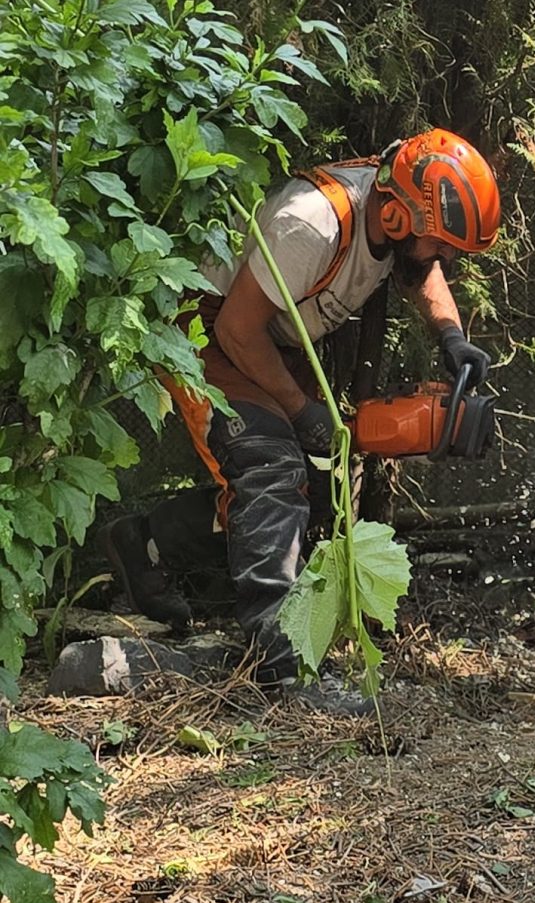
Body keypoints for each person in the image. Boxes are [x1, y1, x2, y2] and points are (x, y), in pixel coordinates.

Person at [103, 130, 500, 714]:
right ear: (395, 215)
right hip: (210, 329)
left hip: (269, 338)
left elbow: (418, 271)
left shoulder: (394, 214)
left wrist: (452, 337)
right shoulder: (310, 224)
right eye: (438, 245)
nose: (443, 260)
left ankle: (146, 542)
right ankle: (280, 667)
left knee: (318, 488)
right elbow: (237, 330)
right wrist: (299, 408)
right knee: (271, 469)